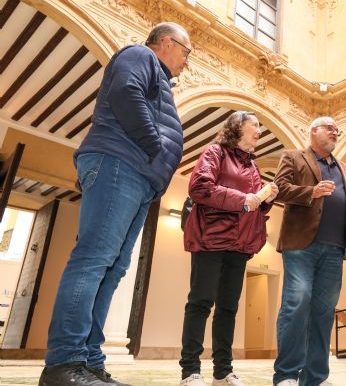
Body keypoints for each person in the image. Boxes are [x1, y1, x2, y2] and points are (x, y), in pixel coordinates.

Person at [39, 23, 191, 386]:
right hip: (119, 162)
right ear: (166, 43)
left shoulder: (160, 78)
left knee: (112, 269)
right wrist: (154, 146)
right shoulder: (140, 55)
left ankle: (88, 362)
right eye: (187, 52)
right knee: (94, 261)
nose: (187, 61)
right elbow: (126, 92)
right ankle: (64, 363)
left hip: (139, 177)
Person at [179, 111, 279, 386]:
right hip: (210, 238)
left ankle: (222, 371)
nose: (260, 131)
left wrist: (267, 198)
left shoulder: (253, 166)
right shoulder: (215, 152)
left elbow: (254, 203)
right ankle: (190, 371)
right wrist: (245, 199)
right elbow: (199, 187)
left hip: (239, 244)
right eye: (255, 125)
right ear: (237, 127)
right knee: (200, 303)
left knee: (228, 308)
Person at [272, 116, 346, 386]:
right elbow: (278, 189)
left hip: (335, 248)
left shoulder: (344, 168)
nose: (336, 133)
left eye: (338, 130)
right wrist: (310, 192)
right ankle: (287, 375)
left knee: (324, 311)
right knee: (297, 303)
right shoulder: (293, 157)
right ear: (313, 131)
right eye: (330, 128)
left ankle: (315, 377)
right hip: (300, 245)